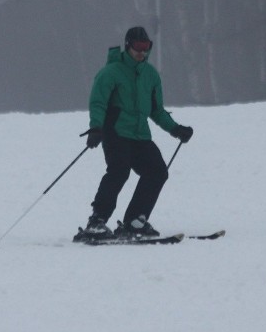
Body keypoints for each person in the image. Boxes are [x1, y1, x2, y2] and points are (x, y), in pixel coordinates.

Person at [74, 26, 193, 242]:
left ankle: (134, 221)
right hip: (115, 132)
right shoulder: (111, 72)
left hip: (140, 135)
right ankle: (96, 222)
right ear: (128, 46)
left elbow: (156, 110)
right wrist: (95, 128)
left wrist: (175, 129)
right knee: (119, 172)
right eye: (138, 47)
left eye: (146, 47)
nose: (142, 52)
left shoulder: (151, 75)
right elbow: (98, 102)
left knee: (157, 172)